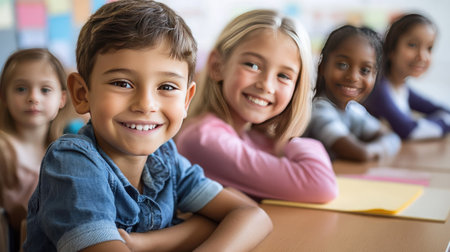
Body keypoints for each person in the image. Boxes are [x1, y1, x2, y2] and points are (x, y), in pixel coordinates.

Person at [24, 1, 272, 252]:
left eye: (166, 87)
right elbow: (222, 221)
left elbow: (252, 215)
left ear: (186, 99)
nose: (146, 105)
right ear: (81, 93)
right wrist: (199, 228)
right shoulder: (72, 161)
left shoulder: (165, 159)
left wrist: (142, 244)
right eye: (122, 83)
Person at [175, 9, 338, 203]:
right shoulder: (203, 138)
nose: (266, 85)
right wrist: (291, 140)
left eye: (284, 76)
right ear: (218, 66)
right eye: (252, 65)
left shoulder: (252, 136)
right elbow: (321, 185)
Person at [0, 48, 70, 251]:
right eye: (21, 89)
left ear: (62, 99)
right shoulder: (4, 148)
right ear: (4, 96)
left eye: (45, 90)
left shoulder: (66, 150)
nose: (33, 97)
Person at [305, 25, 401, 162]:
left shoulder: (353, 110)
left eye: (365, 70)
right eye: (342, 65)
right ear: (322, 67)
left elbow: (392, 137)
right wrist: (374, 150)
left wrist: (372, 151)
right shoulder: (319, 111)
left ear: (375, 76)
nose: (353, 77)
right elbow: (360, 153)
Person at [364, 13, 450, 140]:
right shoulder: (378, 89)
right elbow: (409, 130)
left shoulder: (402, 87)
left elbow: (445, 111)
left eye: (429, 48)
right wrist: (444, 123)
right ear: (391, 49)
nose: (422, 56)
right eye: (412, 45)